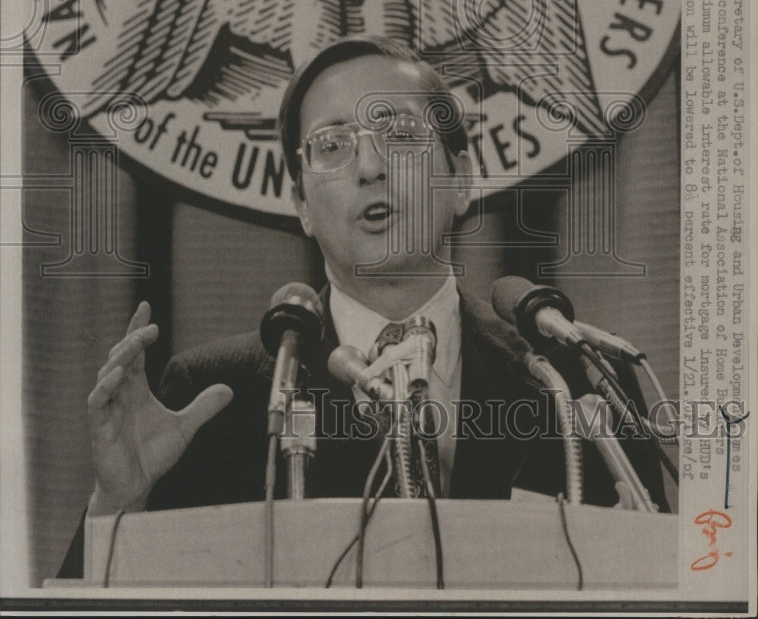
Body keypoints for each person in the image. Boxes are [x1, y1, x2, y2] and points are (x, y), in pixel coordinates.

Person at [59, 36, 668, 577]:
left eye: (400, 136)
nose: (371, 168)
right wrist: (119, 506)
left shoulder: (576, 379)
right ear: (300, 201)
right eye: (332, 145)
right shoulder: (213, 396)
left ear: (460, 178)